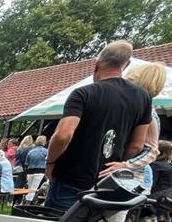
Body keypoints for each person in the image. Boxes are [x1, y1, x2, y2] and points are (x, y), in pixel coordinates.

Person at [45, 40, 151, 212]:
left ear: (97, 64)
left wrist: (50, 163)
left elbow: (63, 134)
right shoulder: (143, 98)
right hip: (107, 182)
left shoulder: (84, 93)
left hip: (71, 178)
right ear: (127, 64)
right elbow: (137, 145)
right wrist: (117, 164)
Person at [23, 135, 48, 202]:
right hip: (40, 171)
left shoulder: (31, 151)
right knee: (34, 188)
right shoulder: (46, 151)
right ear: (44, 142)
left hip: (30, 171)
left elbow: (26, 163)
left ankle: (26, 200)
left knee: (30, 188)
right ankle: (28, 202)